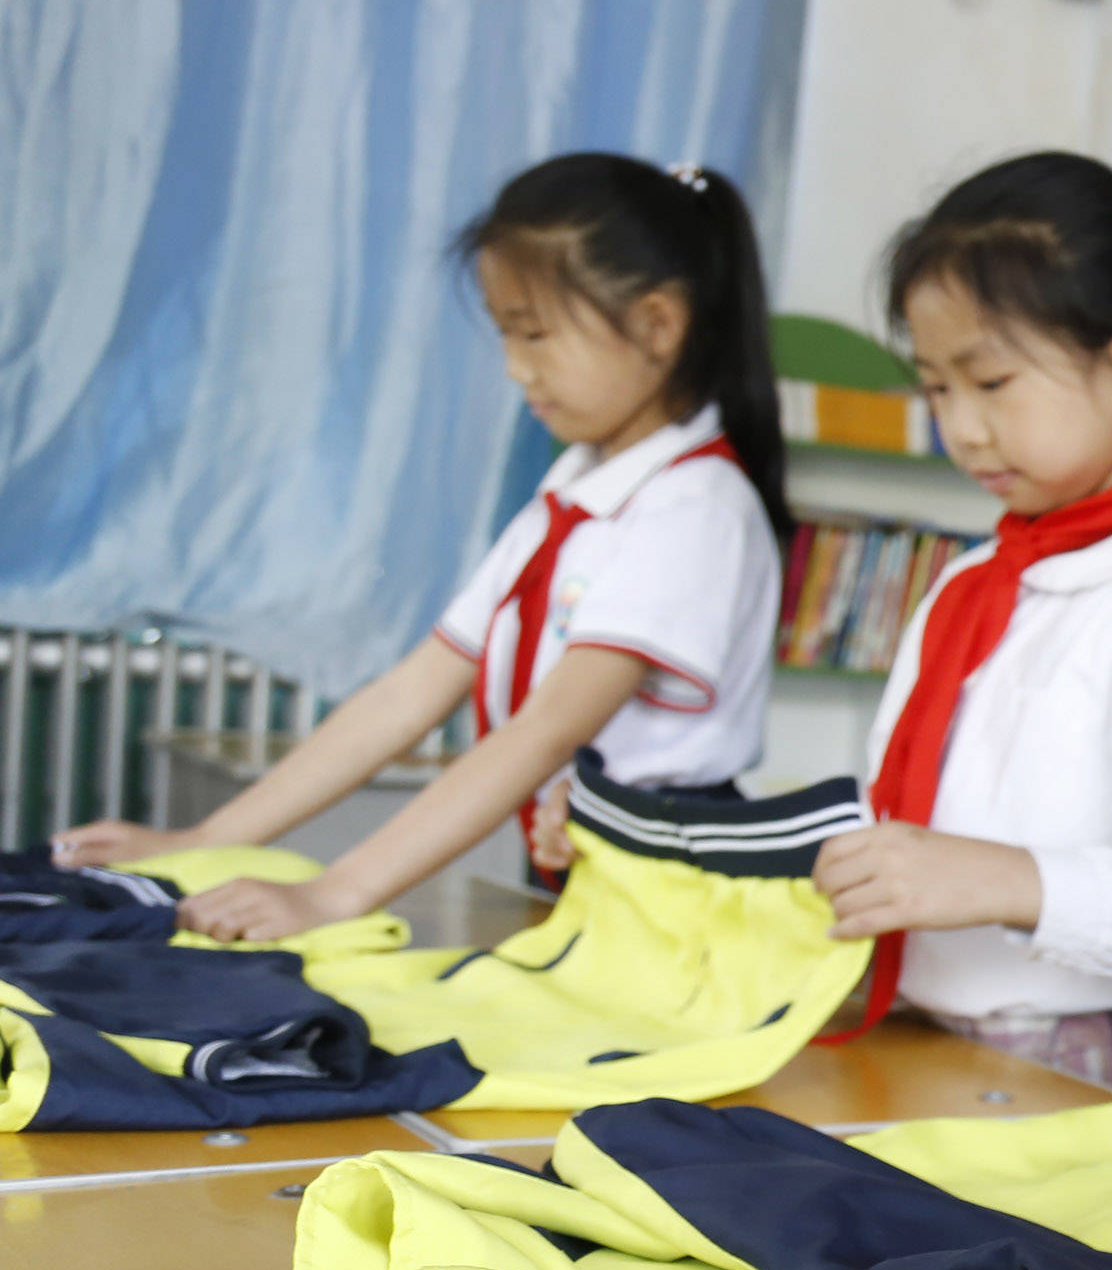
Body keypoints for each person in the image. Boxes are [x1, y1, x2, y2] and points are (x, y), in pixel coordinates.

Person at [59, 154, 792, 936]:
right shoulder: (572, 497)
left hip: (677, 900)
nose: (517, 369)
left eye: (535, 334)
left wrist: (336, 892)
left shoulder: (693, 512)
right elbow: (408, 695)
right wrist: (204, 842)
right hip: (588, 870)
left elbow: (547, 730)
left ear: (656, 325)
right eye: (506, 334)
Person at [811, 151, 1112, 1101]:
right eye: (937, 389)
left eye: (991, 383)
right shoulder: (974, 578)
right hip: (917, 1046)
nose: (962, 429)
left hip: (1078, 1070)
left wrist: (1010, 881)